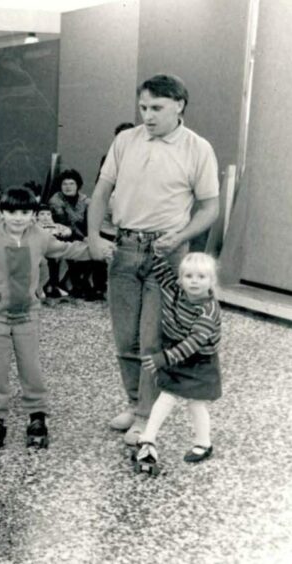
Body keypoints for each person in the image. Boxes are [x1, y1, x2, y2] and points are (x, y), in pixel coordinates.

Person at [87, 74, 220, 446]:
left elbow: (210, 207)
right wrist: (94, 236)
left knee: (152, 341)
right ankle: (134, 404)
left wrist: (180, 236)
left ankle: (146, 417)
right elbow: (101, 192)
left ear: (179, 105)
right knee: (125, 340)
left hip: (167, 252)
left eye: (156, 108)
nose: (147, 115)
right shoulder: (125, 141)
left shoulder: (198, 148)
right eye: (143, 107)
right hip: (124, 248)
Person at [0, 187, 93, 449]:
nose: (18, 217)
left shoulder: (40, 237)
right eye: (12, 212)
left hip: (28, 316)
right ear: (1, 212)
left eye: (25, 212)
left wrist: (96, 250)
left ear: (33, 215)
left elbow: (66, 250)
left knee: (31, 366)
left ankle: (37, 414)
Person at [134, 253, 222, 475]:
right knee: (167, 396)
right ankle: (148, 438)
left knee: (196, 404)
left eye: (201, 277)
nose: (194, 281)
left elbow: (193, 343)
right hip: (177, 354)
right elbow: (161, 270)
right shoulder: (174, 290)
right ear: (181, 279)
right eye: (188, 276)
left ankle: (204, 443)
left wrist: (163, 358)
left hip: (199, 361)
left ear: (212, 281)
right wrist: (154, 251)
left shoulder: (209, 310)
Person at [47, 169, 104, 299]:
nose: (68, 187)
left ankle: (95, 286)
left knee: (97, 249)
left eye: (71, 183)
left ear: (78, 185)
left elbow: (93, 220)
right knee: (78, 250)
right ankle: (76, 284)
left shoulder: (85, 200)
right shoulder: (56, 201)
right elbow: (65, 224)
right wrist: (84, 238)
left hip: (83, 236)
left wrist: (92, 236)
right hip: (63, 235)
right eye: (64, 184)